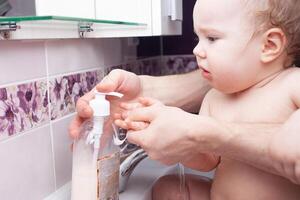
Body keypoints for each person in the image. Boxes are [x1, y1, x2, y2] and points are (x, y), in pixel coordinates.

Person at [68, 0, 300, 198]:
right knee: (169, 189)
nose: (197, 50)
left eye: (211, 38)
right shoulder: (215, 97)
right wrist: (178, 144)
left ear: (269, 45)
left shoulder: (292, 84)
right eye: (198, 38)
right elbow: (208, 159)